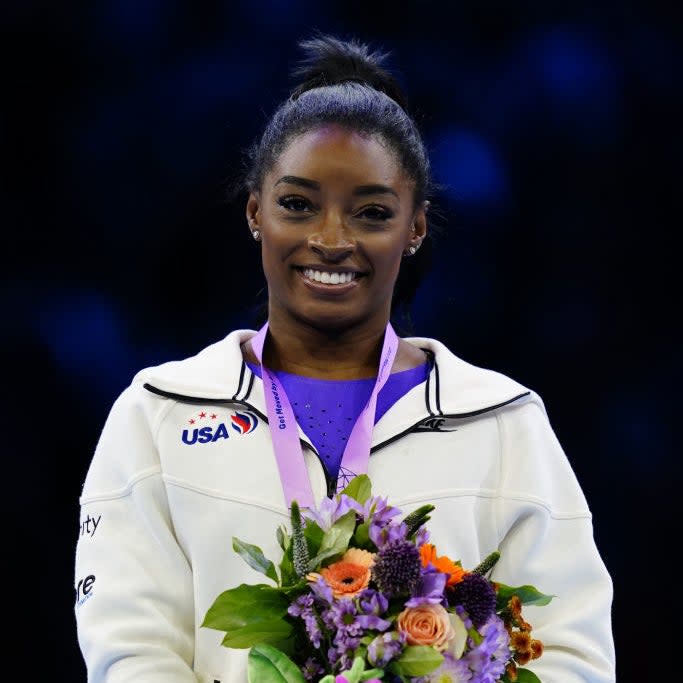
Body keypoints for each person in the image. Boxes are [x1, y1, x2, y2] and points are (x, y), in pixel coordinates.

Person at [74, 34, 616, 683]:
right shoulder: (156, 415)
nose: (330, 239)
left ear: (414, 227)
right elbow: (131, 653)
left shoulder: (502, 422)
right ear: (255, 211)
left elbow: (569, 658)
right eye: (297, 205)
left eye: (370, 212)